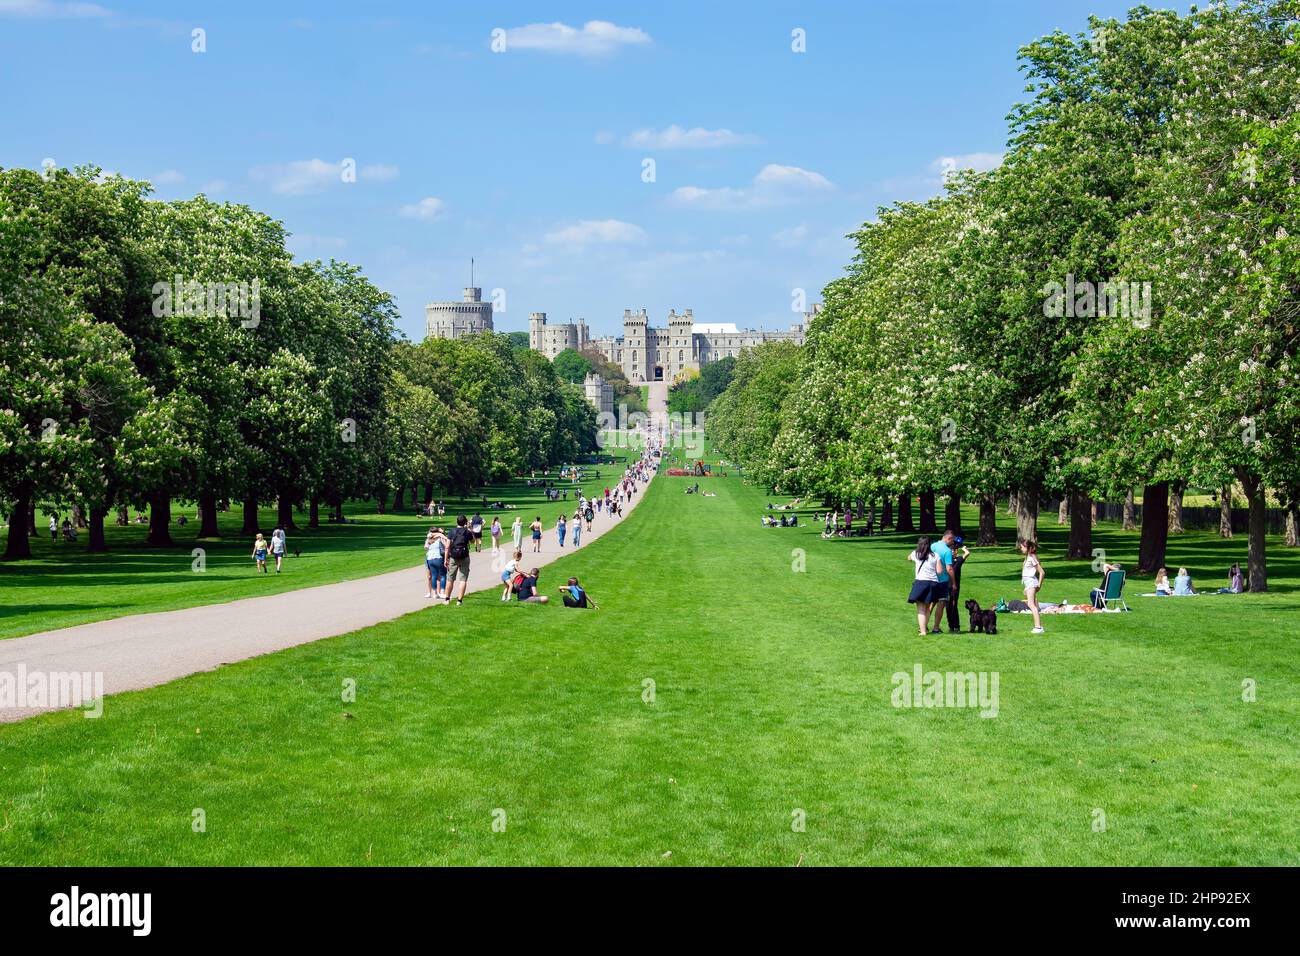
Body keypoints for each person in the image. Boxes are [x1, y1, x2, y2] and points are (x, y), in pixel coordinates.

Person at [906, 536, 941, 637]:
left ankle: (923, 631)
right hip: (933, 583)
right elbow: (939, 571)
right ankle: (924, 628)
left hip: (921, 582)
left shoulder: (916, 554)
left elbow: (908, 558)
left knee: (921, 609)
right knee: (927, 608)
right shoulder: (935, 555)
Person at [930, 530, 955, 635]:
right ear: (948, 538)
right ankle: (936, 627)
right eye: (952, 541)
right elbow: (949, 568)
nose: (952, 543)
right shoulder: (947, 551)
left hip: (931, 578)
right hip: (943, 580)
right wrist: (953, 583)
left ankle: (922, 625)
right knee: (941, 603)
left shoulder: (932, 546)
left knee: (930, 603)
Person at [445, 515, 473, 606]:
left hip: (453, 557)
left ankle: (447, 599)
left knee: (450, 579)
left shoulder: (452, 531)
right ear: (465, 522)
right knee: (463, 579)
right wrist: (469, 529)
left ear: (457, 522)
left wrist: (446, 559)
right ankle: (459, 601)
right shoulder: (467, 532)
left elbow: (447, 546)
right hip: (464, 556)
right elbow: (473, 541)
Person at [944, 539, 972, 633]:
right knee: (947, 606)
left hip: (955, 587)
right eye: (951, 550)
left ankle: (956, 626)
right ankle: (950, 626)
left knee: (954, 605)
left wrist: (963, 548)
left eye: (954, 550)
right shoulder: (946, 561)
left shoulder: (958, 560)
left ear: (956, 551)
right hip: (946, 586)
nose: (953, 552)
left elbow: (967, 553)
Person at [1020, 539, 1045, 634]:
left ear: (1027, 548)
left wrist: (1038, 585)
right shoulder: (1027, 557)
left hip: (1031, 582)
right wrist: (1026, 588)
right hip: (1028, 583)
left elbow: (1042, 572)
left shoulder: (1031, 558)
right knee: (1033, 604)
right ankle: (1037, 626)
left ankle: (1038, 627)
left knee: (1031, 604)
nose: (1021, 549)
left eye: (1022, 547)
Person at [425, 527, 448, 600]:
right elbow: (446, 544)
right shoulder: (440, 537)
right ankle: (442, 592)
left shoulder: (428, 539)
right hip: (438, 557)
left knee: (434, 576)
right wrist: (441, 534)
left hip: (430, 559)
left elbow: (425, 547)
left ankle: (434, 593)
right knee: (443, 575)